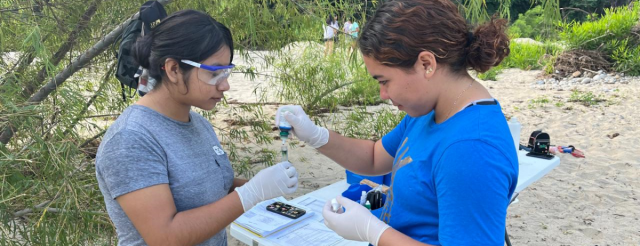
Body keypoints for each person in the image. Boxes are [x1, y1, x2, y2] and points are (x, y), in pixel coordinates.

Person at [275, 0, 516, 245]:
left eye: (384, 80)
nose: (382, 94)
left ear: (426, 64)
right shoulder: (428, 112)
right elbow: (374, 157)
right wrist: (315, 135)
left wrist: (375, 232)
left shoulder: (471, 148)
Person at [95, 10, 298, 246]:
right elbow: (165, 237)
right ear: (173, 69)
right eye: (214, 72)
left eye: (227, 71)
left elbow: (210, 190)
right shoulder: (131, 139)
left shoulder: (197, 122)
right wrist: (252, 193)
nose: (225, 85)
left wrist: (266, 184)